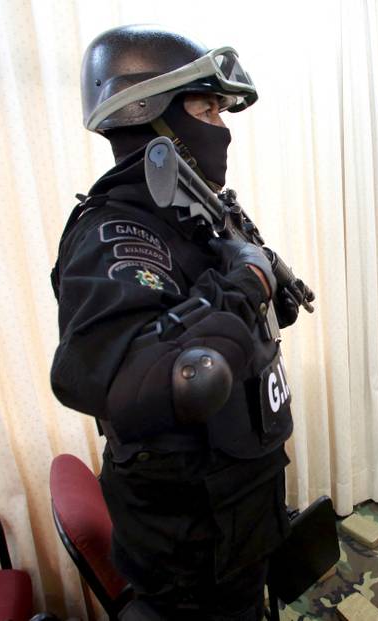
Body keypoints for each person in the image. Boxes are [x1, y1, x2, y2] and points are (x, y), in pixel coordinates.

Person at [50, 25, 308, 620]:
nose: (223, 125)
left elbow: (271, 316)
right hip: (188, 541)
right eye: (208, 107)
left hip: (238, 505)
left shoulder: (198, 217)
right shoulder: (118, 233)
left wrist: (262, 278)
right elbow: (171, 377)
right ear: (150, 113)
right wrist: (245, 283)